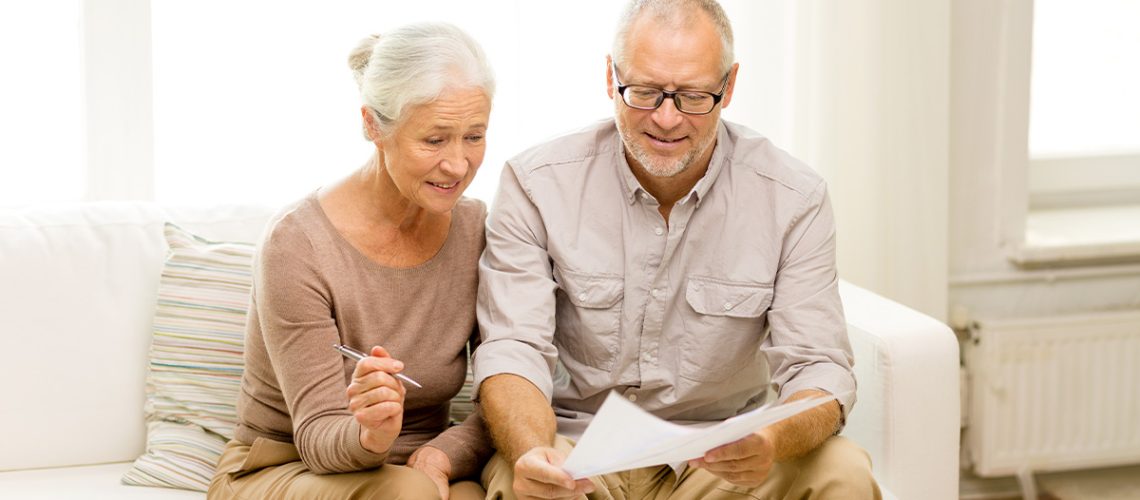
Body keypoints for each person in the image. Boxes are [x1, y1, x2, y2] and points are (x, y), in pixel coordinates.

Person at [473, 1, 881, 499]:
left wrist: (771, 439)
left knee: (843, 471)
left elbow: (819, 367)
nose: (666, 120)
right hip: (575, 450)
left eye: (692, 96)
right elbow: (513, 349)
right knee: (527, 486)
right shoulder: (536, 184)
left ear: (728, 87)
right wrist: (533, 453)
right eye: (644, 92)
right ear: (610, 77)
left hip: (722, 455)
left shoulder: (793, 197)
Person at [208, 22, 495, 500]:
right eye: (435, 139)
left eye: (474, 136)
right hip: (291, 463)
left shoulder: (475, 229)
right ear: (372, 125)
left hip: (422, 463)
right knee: (411, 496)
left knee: (530, 482)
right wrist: (371, 434)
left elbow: (504, 389)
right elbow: (318, 436)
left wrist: (445, 454)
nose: (458, 165)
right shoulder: (297, 244)